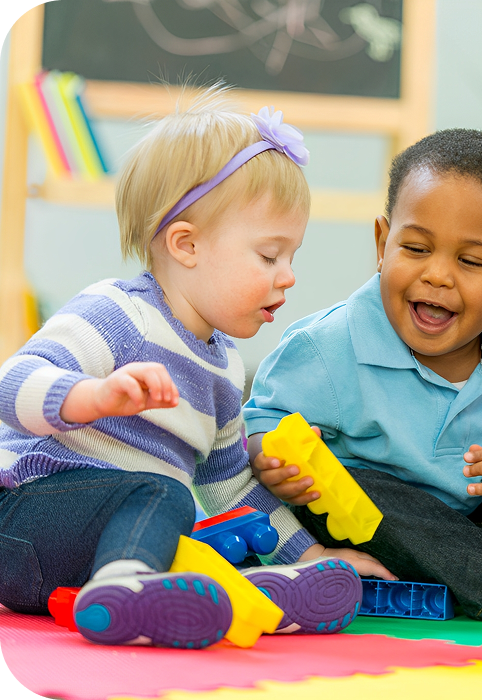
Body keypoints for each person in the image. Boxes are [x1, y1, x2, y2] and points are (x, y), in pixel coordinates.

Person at [0, 86, 369, 648]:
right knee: (164, 499)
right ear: (187, 244)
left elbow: (232, 486)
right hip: (23, 524)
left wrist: (311, 552)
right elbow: (13, 385)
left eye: (292, 257)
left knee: (201, 524)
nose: (288, 276)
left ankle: (255, 594)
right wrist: (92, 398)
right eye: (269, 256)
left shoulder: (223, 367)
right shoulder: (118, 313)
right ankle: (132, 590)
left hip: (99, 543)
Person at [244, 128, 482, 620]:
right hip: (381, 532)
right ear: (383, 244)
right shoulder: (328, 346)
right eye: (417, 249)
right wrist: (275, 462)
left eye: (469, 261)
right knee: (363, 486)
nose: (438, 275)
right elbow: (258, 427)